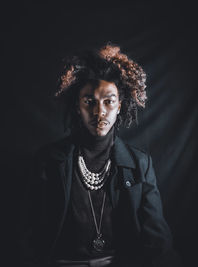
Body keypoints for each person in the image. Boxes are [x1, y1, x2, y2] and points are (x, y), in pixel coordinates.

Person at [20, 43, 181, 267]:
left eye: (108, 101)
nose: (99, 111)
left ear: (119, 106)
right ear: (78, 106)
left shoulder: (139, 164)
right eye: (89, 102)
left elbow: (158, 241)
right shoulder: (48, 161)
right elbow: (30, 236)